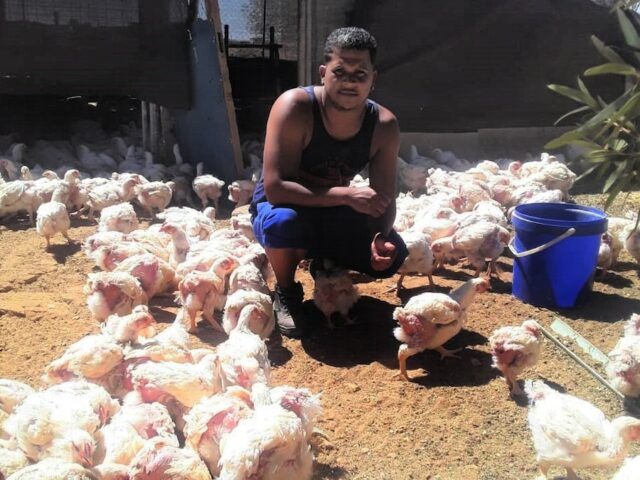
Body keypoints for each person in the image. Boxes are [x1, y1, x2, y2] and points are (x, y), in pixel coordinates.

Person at [250, 26, 408, 338]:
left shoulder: (384, 125)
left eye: (360, 72)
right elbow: (277, 188)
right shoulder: (295, 107)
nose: (350, 80)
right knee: (284, 223)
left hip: (333, 204)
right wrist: (346, 196)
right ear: (323, 72)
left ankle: (324, 258)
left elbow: (384, 196)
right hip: (284, 204)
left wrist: (379, 234)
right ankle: (286, 291)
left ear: (373, 78)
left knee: (394, 256)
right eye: (340, 71)